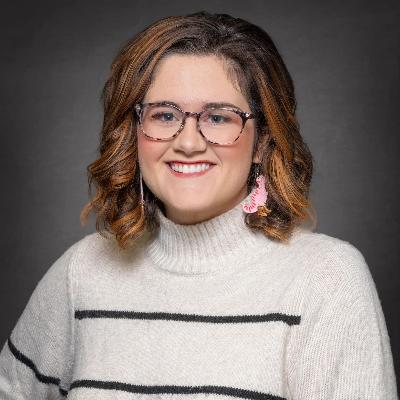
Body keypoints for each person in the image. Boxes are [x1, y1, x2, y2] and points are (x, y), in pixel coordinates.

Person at [0, 10, 397, 400]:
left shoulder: (326, 280)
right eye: (164, 115)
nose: (188, 142)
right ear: (134, 132)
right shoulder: (81, 274)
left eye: (219, 118)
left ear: (262, 142)